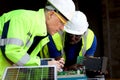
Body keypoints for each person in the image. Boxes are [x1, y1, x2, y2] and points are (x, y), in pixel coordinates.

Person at [0, 0, 75, 79]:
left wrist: (51, 63)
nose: (62, 28)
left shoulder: (42, 34)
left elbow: (25, 60)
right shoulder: (22, 18)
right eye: (62, 22)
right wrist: (44, 63)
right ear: (51, 14)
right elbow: (12, 51)